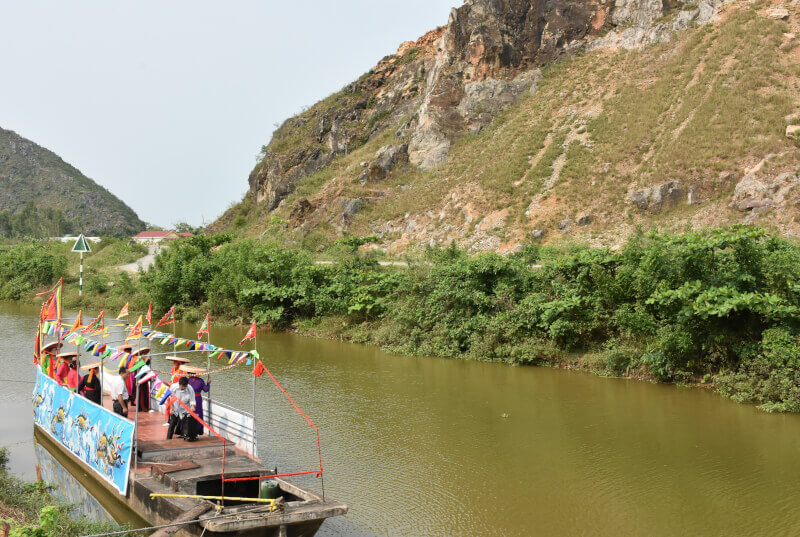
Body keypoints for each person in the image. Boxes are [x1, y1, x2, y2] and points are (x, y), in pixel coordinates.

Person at [166, 376, 197, 441]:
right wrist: (171, 408)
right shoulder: (173, 387)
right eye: (182, 386)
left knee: (187, 424)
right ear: (179, 384)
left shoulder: (190, 388)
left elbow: (192, 399)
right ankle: (168, 439)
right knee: (172, 424)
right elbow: (170, 397)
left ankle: (187, 437)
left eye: (184, 387)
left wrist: (192, 406)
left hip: (185, 408)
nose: (183, 388)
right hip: (176, 408)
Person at [182, 366, 210, 435]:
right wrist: (208, 383)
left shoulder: (188, 380)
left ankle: (185, 429)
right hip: (197, 399)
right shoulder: (200, 381)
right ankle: (198, 430)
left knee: (188, 413)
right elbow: (206, 390)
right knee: (198, 414)